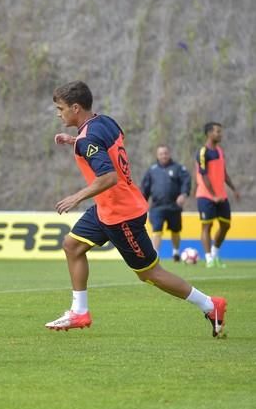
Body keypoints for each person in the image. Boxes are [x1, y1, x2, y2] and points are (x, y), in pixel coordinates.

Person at [45, 81, 227, 338]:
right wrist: (74, 141)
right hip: (107, 208)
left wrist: (77, 196)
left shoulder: (88, 139)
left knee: (150, 274)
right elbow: (106, 145)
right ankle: (79, 311)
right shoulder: (104, 122)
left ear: (75, 108)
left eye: (60, 108)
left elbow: (108, 177)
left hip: (122, 214)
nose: (58, 113)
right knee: (72, 245)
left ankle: (210, 305)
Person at [195, 122, 240, 268]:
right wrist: (213, 195)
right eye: (217, 132)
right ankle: (208, 259)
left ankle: (215, 253)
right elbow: (204, 175)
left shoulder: (220, 151)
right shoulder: (203, 152)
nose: (220, 134)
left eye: (220, 132)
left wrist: (233, 189)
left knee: (226, 225)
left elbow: (224, 173)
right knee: (207, 226)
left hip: (222, 196)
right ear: (209, 133)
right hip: (205, 195)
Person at [140, 145, 191, 261]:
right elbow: (145, 188)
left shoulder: (178, 168)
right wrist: (143, 203)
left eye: (166, 153)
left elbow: (186, 182)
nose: (164, 155)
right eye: (161, 153)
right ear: (157, 155)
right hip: (157, 207)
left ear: (169, 154)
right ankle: (155, 255)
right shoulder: (151, 170)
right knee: (157, 230)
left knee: (175, 230)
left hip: (174, 206)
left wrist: (183, 194)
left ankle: (176, 252)